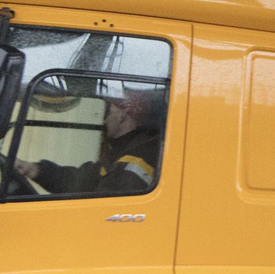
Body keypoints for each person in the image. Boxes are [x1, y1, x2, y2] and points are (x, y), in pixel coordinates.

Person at [12, 80, 165, 197]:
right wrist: (34, 170)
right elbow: (80, 180)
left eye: (108, 112)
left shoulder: (136, 161)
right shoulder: (121, 152)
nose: (104, 120)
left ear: (122, 116)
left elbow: (104, 208)